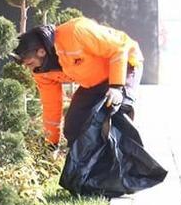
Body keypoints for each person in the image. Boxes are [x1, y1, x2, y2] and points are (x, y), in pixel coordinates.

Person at [11, 17, 143, 147]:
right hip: (94, 81)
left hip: (125, 64)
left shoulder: (76, 32)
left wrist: (116, 86)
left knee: (118, 114)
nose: (30, 69)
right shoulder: (41, 72)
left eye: (30, 63)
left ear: (41, 52)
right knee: (74, 126)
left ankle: (129, 164)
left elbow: (118, 49)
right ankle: (93, 167)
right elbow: (51, 105)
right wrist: (52, 143)